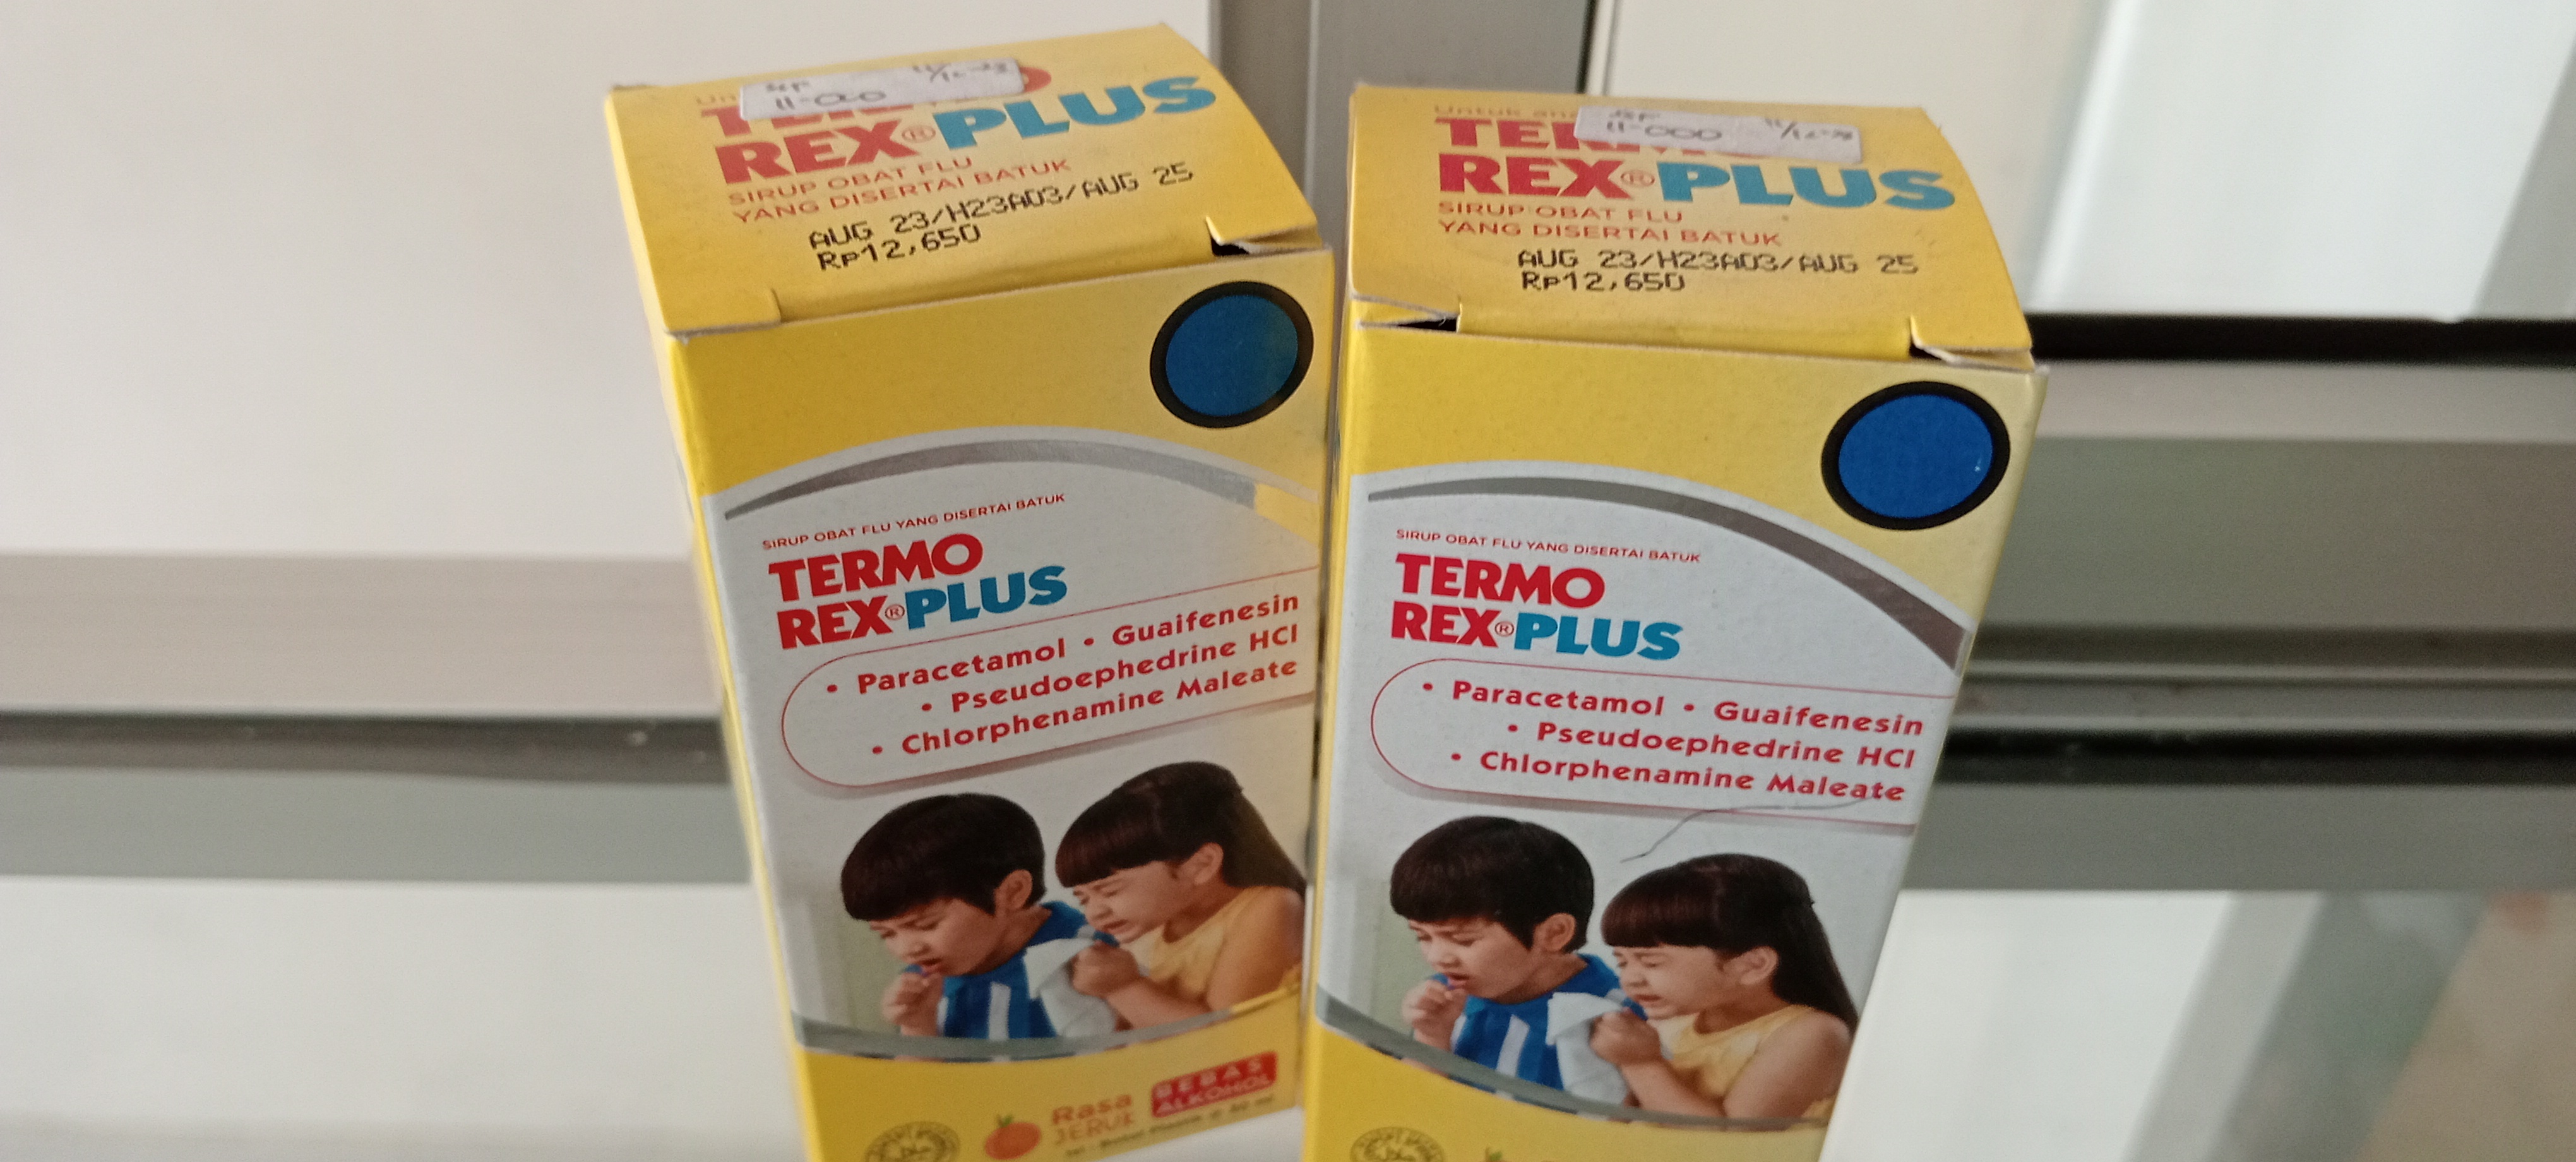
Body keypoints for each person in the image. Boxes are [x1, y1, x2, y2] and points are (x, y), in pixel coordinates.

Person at [1390, 816, 1637, 1103]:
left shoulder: (1625, 1014)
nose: (1437, 958)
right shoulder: (1443, 1000)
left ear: (1554, 933)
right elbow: (1411, 1105)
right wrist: (1431, 1036)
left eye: (1463, 940)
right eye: (1422, 936)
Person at [1589, 854, 1856, 1119]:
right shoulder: (1674, 1021)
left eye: (1652, 962)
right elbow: (1630, 1118)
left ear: (1752, 966)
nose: (1631, 979)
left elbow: (1730, 1137)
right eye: (1622, 962)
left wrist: (1640, 1062)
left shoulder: (1815, 1033)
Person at [842, 793, 1115, 1039]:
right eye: (886, 934)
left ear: (1013, 892)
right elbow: (920, 1081)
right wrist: (917, 1027)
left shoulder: (1101, 950)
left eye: (926, 925)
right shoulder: (924, 986)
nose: (906, 950)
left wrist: (1123, 988)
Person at [1053, 762, 1306, 1028]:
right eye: (1083, 899)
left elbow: (1223, 1034)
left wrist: (1121, 988)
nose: (1094, 913)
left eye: (1110, 890)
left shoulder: (1272, 907)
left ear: (1201, 865)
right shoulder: (1149, 932)